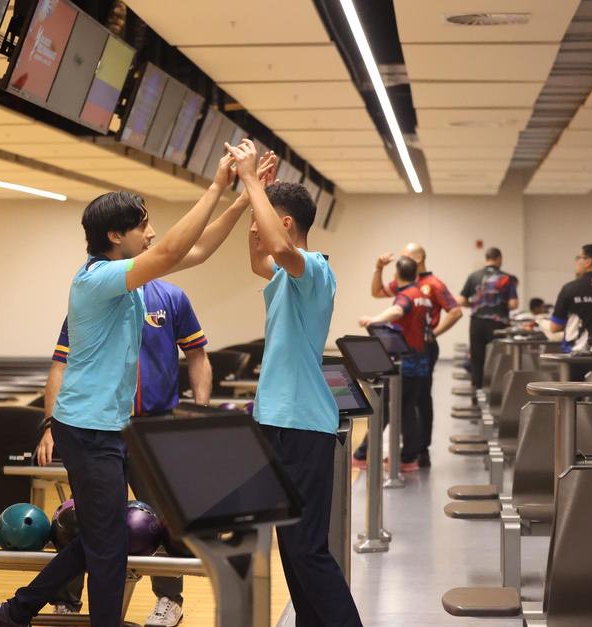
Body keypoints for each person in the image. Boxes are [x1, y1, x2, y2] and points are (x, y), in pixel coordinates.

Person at [0, 153, 239, 627]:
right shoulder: (98, 280)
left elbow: (198, 251)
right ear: (114, 236)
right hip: (86, 428)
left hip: (112, 427)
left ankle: (16, 610)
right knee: (108, 546)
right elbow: (166, 254)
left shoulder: (131, 281)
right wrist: (215, 183)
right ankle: (29, 612)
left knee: (105, 535)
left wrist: (242, 198)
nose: (152, 233)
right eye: (143, 226)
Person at [228, 138, 363, 627]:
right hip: (275, 421)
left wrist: (248, 180)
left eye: (263, 220)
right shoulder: (284, 277)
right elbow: (257, 259)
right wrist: (255, 194)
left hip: (303, 424)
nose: (256, 229)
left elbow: (280, 248)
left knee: (307, 548)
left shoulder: (316, 271)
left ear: (284, 223)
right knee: (291, 544)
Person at [38, 278, 212, 625]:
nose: (148, 238)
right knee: (86, 517)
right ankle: (67, 600)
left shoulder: (172, 297)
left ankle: (168, 599)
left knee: (163, 518)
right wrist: (47, 424)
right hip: (101, 424)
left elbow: (198, 356)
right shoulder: (94, 297)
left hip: (154, 426)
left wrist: (200, 415)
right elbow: (61, 365)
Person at [368, 243, 461, 467]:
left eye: (405, 256)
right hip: (403, 349)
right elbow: (377, 292)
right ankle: (407, 451)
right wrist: (378, 269)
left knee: (421, 399)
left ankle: (421, 450)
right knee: (403, 401)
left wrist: (432, 333)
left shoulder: (434, 284)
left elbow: (455, 311)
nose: (400, 260)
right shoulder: (406, 282)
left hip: (424, 348)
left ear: (418, 259)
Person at [359, 256, 432, 472]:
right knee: (408, 410)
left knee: (383, 410)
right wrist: (378, 267)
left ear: (396, 275)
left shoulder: (407, 296)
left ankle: (363, 454)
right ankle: (408, 457)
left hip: (405, 365)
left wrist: (374, 319)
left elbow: (398, 311)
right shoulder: (421, 293)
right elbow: (377, 291)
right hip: (420, 363)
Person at [457, 247, 519, 389]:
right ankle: (496, 391)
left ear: (486, 258)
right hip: (498, 325)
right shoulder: (506, 278)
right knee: (498, 359)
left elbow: (460, 300)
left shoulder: (473, 276)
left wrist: (474, 303)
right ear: (499, 259)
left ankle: (477, 389)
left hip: (477, 322)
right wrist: (501, 304)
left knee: (477, 358)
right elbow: (514, 304)